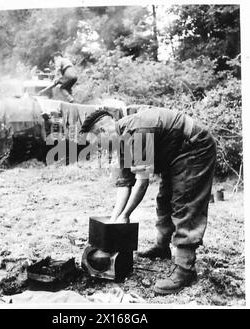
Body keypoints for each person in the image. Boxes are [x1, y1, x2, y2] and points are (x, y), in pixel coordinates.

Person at [79, 106, 217, 295]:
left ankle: (185, 269)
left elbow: (142, 183)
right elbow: (125, 184)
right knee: (165, 200)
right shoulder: (121, 142)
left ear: (103, 131)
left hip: (193, 146)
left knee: (184, 203)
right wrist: (115, 218)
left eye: (97, 144)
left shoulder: (138, 132)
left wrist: (126, 215)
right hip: (173, 154)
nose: (99, 148)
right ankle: (162, 248)